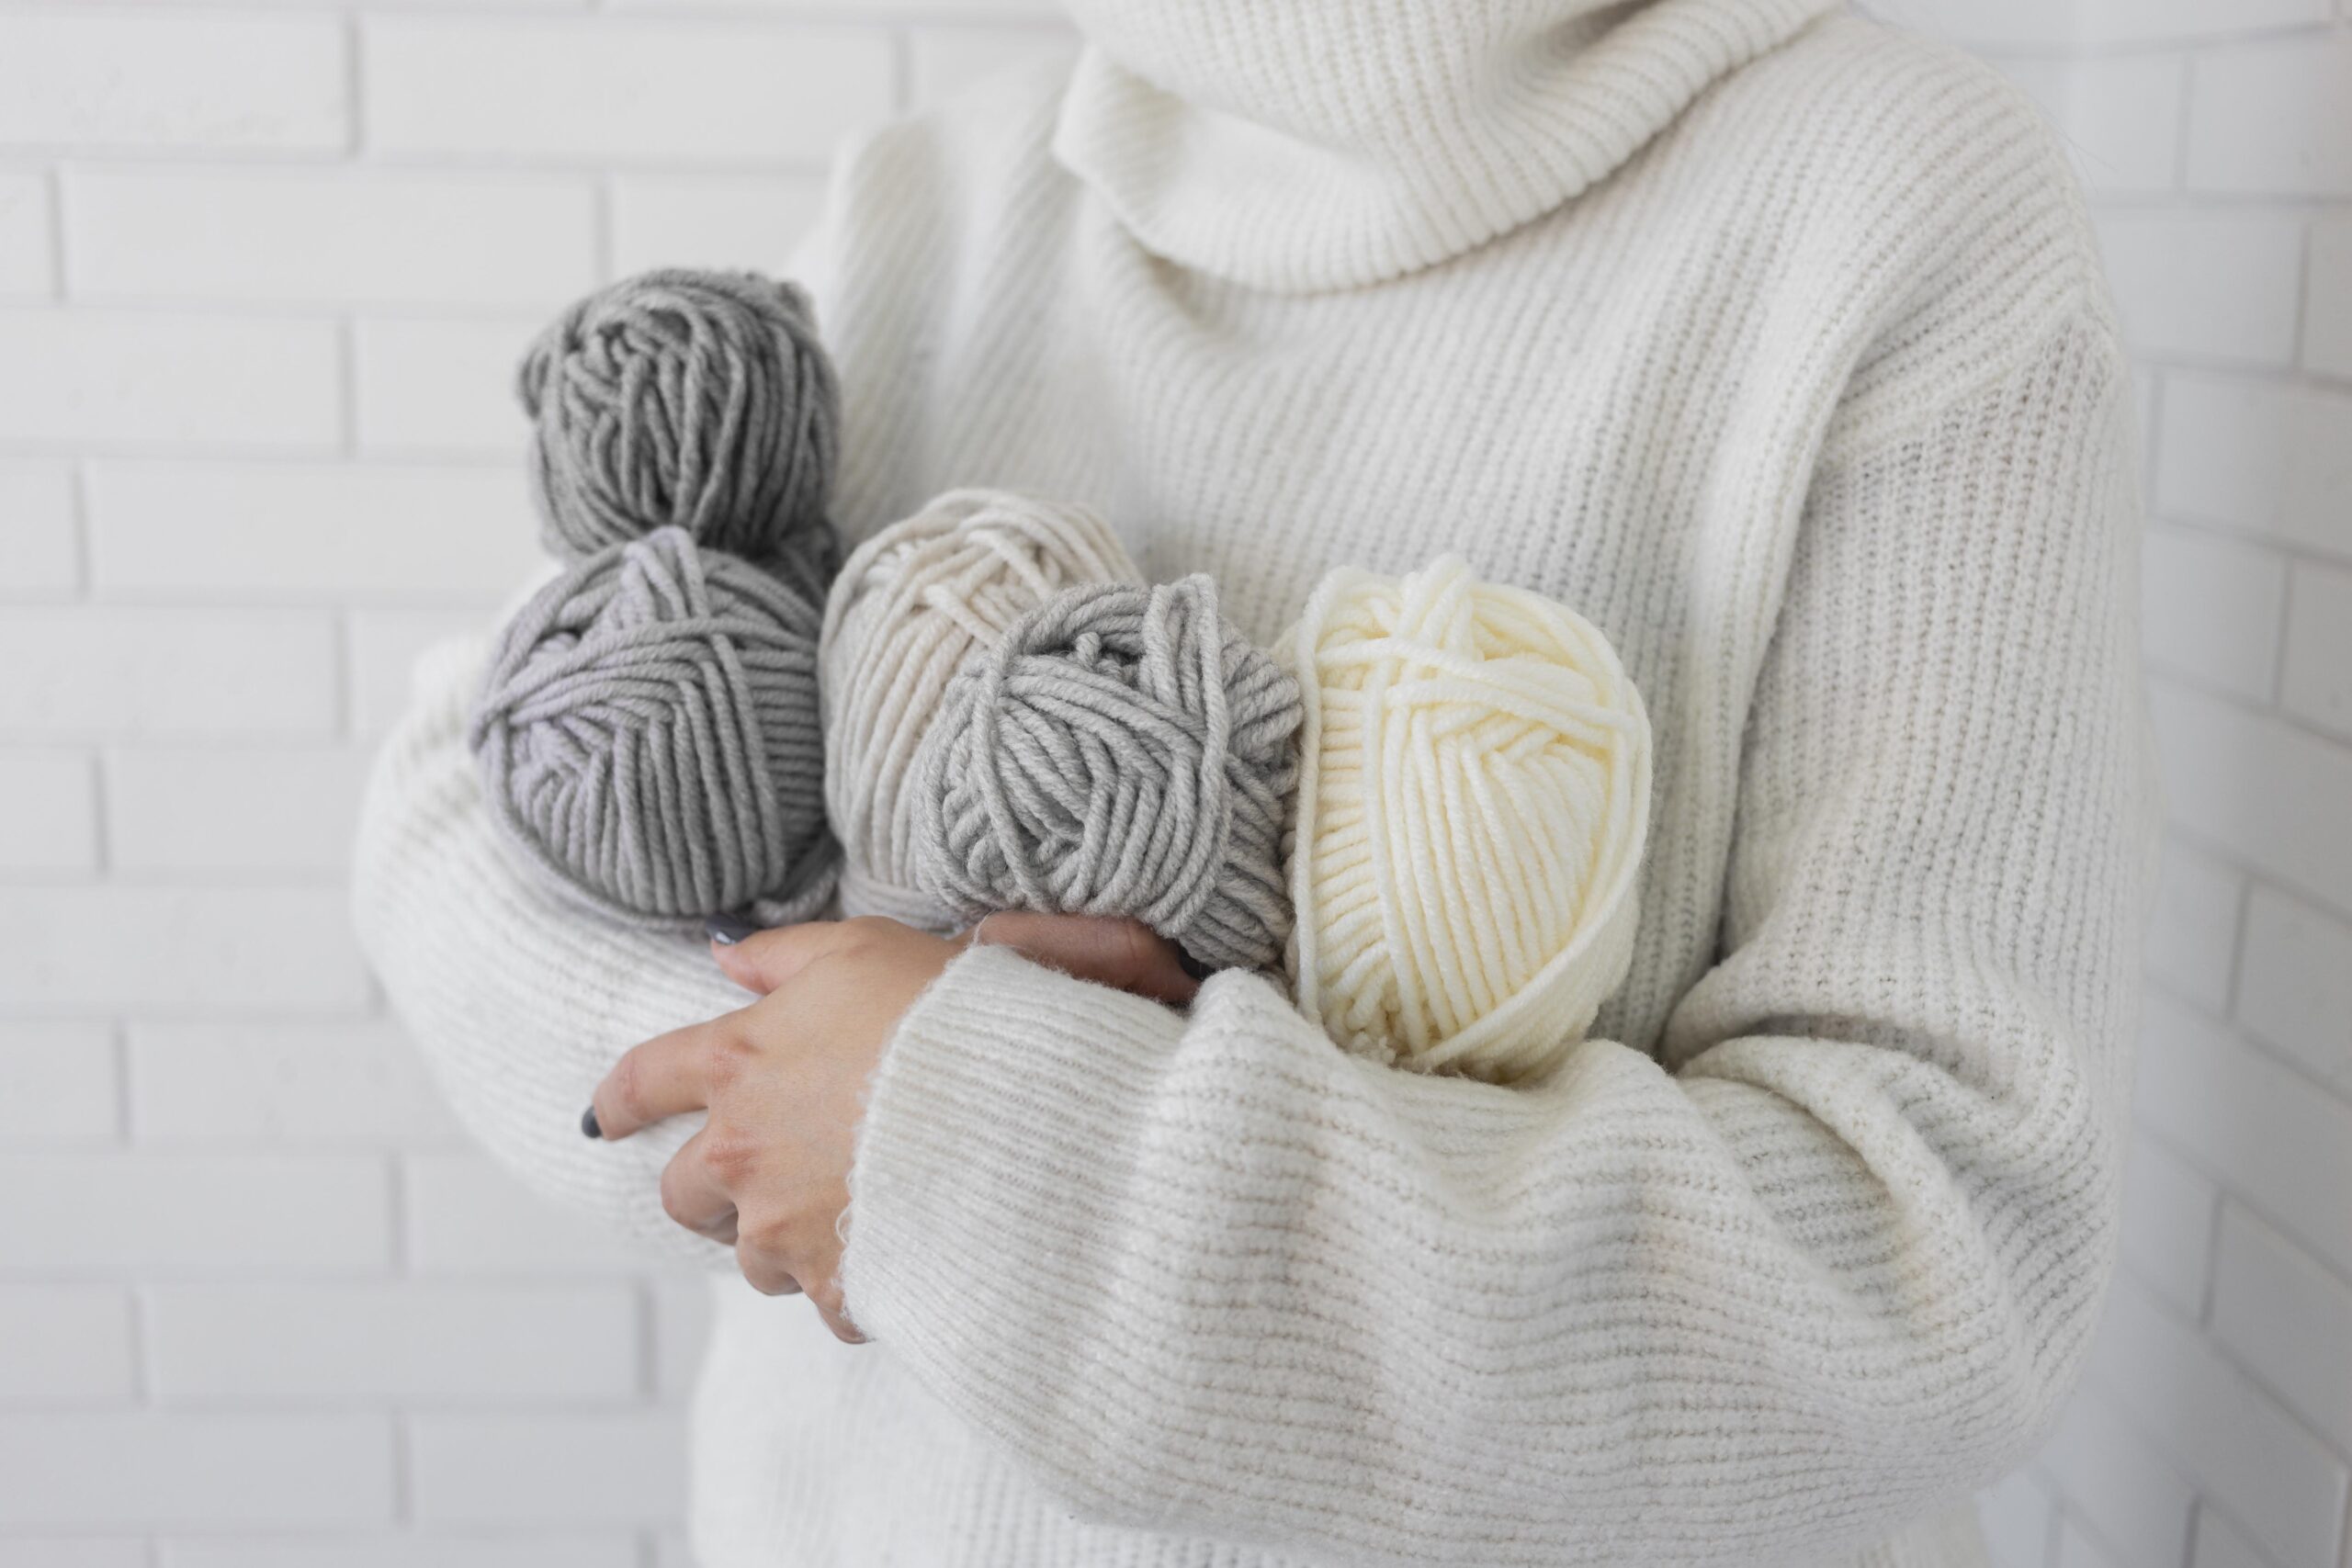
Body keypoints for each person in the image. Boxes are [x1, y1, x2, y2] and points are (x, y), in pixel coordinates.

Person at [353, 0, 2156, 1562]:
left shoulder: (1892, 210)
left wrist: (970, 1143)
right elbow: (461, 798)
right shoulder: (938, 197)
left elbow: (1931, 1256)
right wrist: (787, 1088)